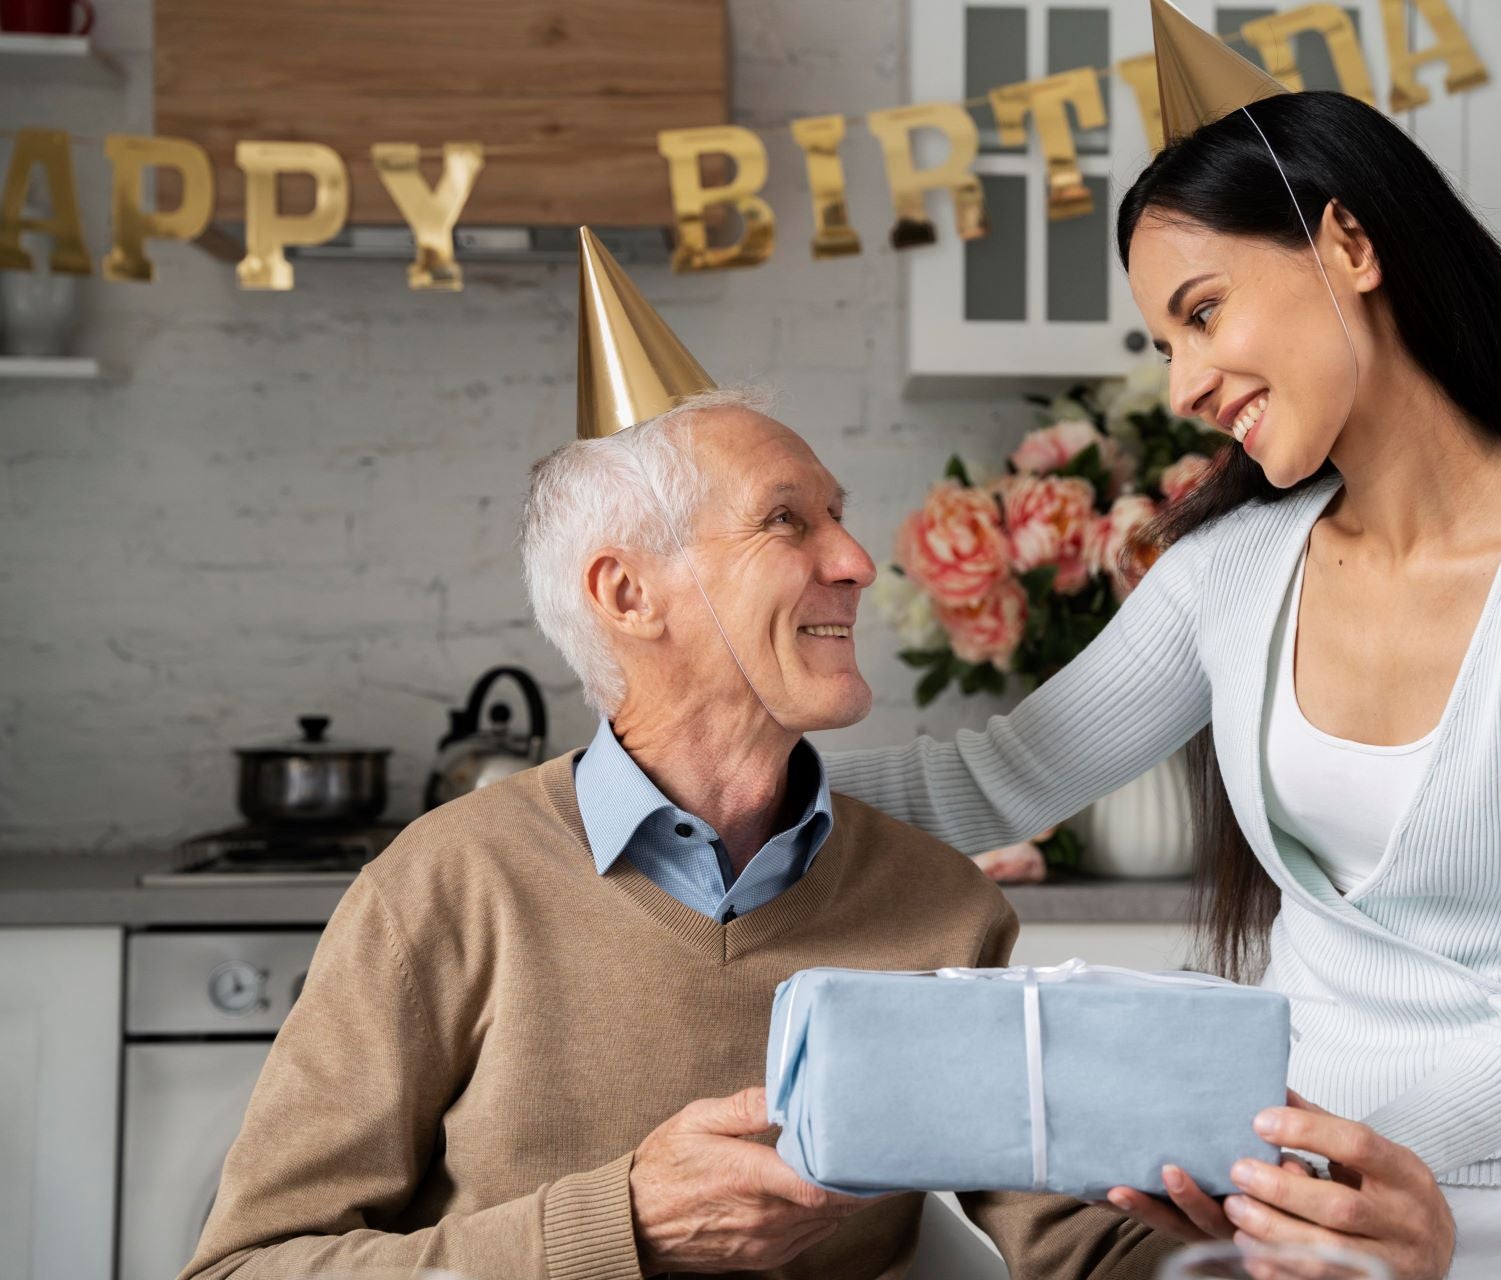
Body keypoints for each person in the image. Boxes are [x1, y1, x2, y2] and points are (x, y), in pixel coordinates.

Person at [824, 21, 1501, 1280]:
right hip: (1294, 1202)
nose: (1182, 381)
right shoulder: (1234, 571)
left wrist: (1270, 1149)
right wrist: (728, 789)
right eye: (1163, 342)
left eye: (1201, 311)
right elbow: (995, 780)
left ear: (1348, 244)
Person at [181, 245, 1192, 1279]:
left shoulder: (937, 904)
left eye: (837, 516)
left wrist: (1236, 1233)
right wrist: (618, 1225)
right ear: (627, 595)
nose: (853, 560)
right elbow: (243, 1268)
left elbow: (1079, 1243)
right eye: (787, 519)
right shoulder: (443, 888)